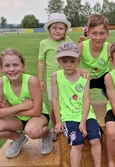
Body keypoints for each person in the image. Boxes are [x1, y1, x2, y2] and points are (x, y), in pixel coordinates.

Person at [51, 42, 107, 167]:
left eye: (72, 61)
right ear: (59, 61)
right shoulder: (56, 76)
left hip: (86, 115)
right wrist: (58, 120)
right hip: (68, 117)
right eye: (64, 61)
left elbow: (87, 100)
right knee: (77, 142)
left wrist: (83, 122)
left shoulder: (85, 75)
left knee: (96, 139)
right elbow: (55, 99)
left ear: (78, 60)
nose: (68, 64)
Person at [0, 48, 53, 158]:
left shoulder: (31, 81)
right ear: (1, 68)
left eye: (15, 65)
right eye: (7, 66)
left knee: (32, 131)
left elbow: (36, 111)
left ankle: (47, 135)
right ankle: (18, 138)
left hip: (38, 117)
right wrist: (20, 106)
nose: (11, 69)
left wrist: (9, 109)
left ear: (23, 66)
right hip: (17, 118)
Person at [38, 13, 73, 141]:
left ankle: (69, 124)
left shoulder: (68, 41)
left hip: (67, 78)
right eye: (54, 28)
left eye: (61, 28)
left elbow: (75, 55)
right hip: (51, 81)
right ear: (49, 29)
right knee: (54, 105)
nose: (57, 31)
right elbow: (41, 61)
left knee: (68, 102)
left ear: (65, 30)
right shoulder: (44, 43)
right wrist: (40, 79)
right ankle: (55, 127)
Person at [78, 14, 112, 99]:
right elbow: (70, 66)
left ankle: (110, 96)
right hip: (86, 76)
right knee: (74, 80)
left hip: (103, 76)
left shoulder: (109, 48)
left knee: (113, 79)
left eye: (102, 33)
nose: (98, 37)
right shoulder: (82, 46)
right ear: (88, 33)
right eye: (94, 33)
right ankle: (78, 102)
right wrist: (78, 70)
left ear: (107, 34)